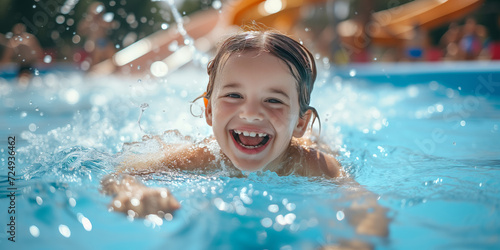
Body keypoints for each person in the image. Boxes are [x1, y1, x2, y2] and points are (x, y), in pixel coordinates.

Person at [101, 30, 388, 238]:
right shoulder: (201, 158)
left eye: (273, 100)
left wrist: (353, 243)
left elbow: (367, 210)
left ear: (301, 123)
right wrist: (133, 192)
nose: (251, 113)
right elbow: (119, 174)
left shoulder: (314, 165)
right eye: (234, 95)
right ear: (209, 111)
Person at [77, 2, 115, 68]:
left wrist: (102, 23)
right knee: (95, 55)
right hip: (93, 42)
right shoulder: (88, 21)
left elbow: (112, 25)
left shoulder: (103, 20)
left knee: (111, 55)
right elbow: (80, 30)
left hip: (103, 41)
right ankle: (92, 68)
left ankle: (115, 69)